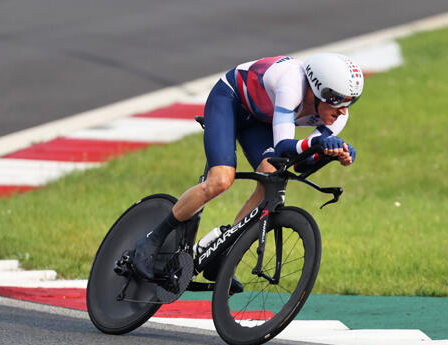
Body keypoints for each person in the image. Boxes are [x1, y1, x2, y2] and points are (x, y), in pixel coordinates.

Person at [133, 52, 364, 280]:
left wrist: (329, 154)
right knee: (221, 179)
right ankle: (151, 240)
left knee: (272, 176)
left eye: (350, 101)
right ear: (317, 90)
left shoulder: (338, 116)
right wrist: (317, 143)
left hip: (261, 120)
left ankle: (223, 253)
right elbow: (284, 145)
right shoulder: (291, 84)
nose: (344, 109)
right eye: (338, 99)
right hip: (230, 100)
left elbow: (301, 165)